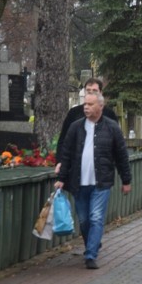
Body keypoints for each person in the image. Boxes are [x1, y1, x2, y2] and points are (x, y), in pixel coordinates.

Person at [55, 92, 132, 269]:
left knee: (96, 217)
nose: (86, 107)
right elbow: (66, 154)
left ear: (100, 107)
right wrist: (61, 178)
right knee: (83, 220)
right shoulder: (76, 127)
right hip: (78, 182)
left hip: (101, 182)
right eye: (85, 104)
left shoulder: (111, 128)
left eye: (90, 104)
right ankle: (93, 242)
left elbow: (121, 155)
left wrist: (126, 180)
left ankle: (90, 254)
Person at [55, 78, 118, 174]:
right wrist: (60, 161)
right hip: (76, 168)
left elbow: (116, 143)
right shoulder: (74, 113)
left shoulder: (109, 115)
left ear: (101, 92)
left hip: (101, 171)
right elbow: (63, 140)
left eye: (95, 91)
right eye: (88, 91)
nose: (91, 93)